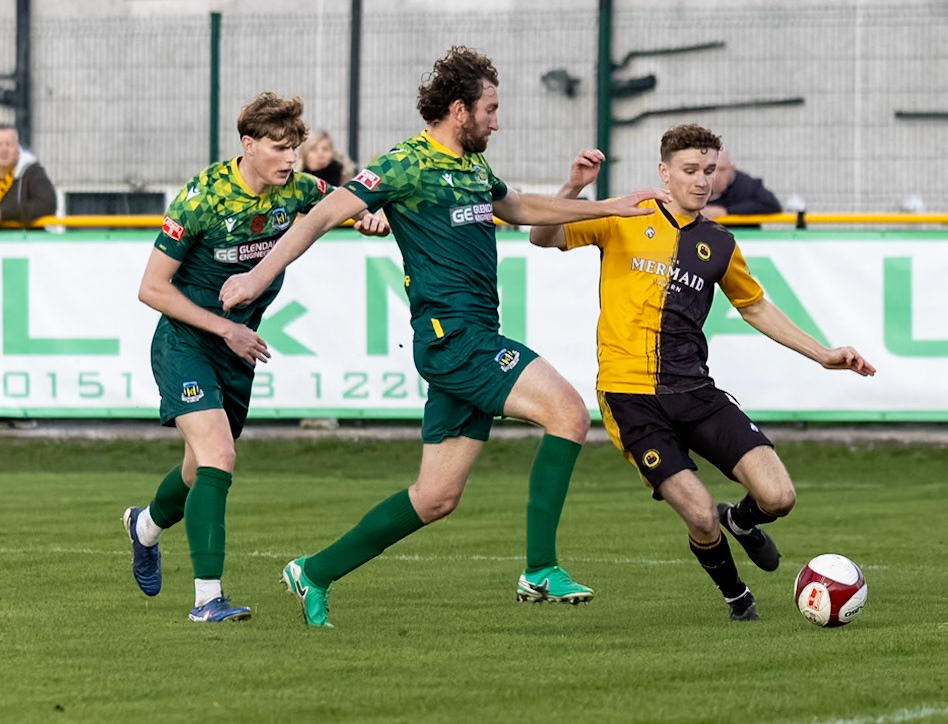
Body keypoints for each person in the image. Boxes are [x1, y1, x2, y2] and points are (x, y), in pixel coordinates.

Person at [218, 46, 669, 628]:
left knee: (435, 498)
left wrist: (591, 195)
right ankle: (540, 570)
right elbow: (322, 214)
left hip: (473, 335)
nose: (496, 121)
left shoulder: (473, 167)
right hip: (452, 339)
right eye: (491, 109)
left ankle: (315, 571)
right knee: (568, 413)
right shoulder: (406, 164)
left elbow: (519, 207)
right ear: (459, 109)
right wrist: (257, 275)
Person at [530, 125, 875, 622]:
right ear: (663, 172)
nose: (701, 181)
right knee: (696, 512)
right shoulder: (623, 215)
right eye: (690, 170)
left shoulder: (719, 242)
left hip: (695, 391)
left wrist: (822, 354)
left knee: (779, 496)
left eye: (709, 171)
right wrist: (575, 188)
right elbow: (543, 235)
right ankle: (738, 598)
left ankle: (740, 519)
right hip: (631, 397)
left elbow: (755, 308)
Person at [121, 92, 335, 622]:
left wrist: (367, 217)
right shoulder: (202, 197)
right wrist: (225, 329)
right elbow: (151, 288)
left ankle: (144, 526)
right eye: (279, 148)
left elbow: (344, 201)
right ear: (248, 144)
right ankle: (207, 600)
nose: (290, 159)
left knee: (199, 468)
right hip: (187, 341)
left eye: (295, 149)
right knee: (218, 455)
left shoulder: (299, 189)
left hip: (237, 350)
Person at [0, 124, 58, 227]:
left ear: (17, 149)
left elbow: (47, 204)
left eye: (9, 144)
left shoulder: (32, 172)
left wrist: (4, 213)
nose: (4, 150)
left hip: (24, 239)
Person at [701, 149, 781, 220]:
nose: (716, 176)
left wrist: (726, 211)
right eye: (710, 170)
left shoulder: (746, 185)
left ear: (732, 169)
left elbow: (771, 204)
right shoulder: (695, 182)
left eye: (722, 170)